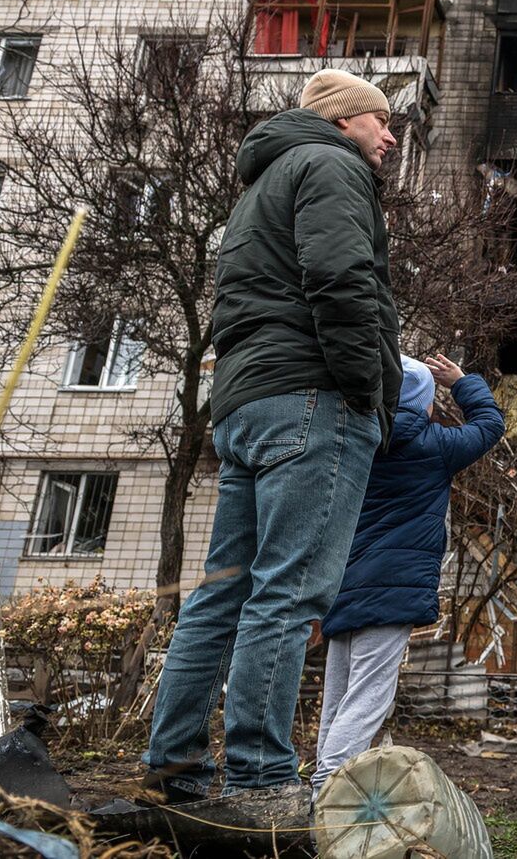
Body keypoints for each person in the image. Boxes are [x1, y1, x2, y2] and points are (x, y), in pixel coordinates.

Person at [144, 69, 403, 814]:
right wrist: (367, 392)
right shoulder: (331, 165)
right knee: (286, 593)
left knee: (223, 591)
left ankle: (174, 765)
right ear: (344, 120)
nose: (387, 137)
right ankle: (260, 775)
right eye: (379, 121)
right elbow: (340, 278)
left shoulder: (260, 185)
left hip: (249, 404)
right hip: (314, 401)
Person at [311, 353, 506, 799]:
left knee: (338, 697)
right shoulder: (434, 445)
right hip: (392, 591)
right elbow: (491, 425)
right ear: (424, 405)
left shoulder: (354, 441)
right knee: (368, 698)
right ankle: (326, 790)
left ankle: (324, 783)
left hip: (343, 587)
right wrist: (460, 381)